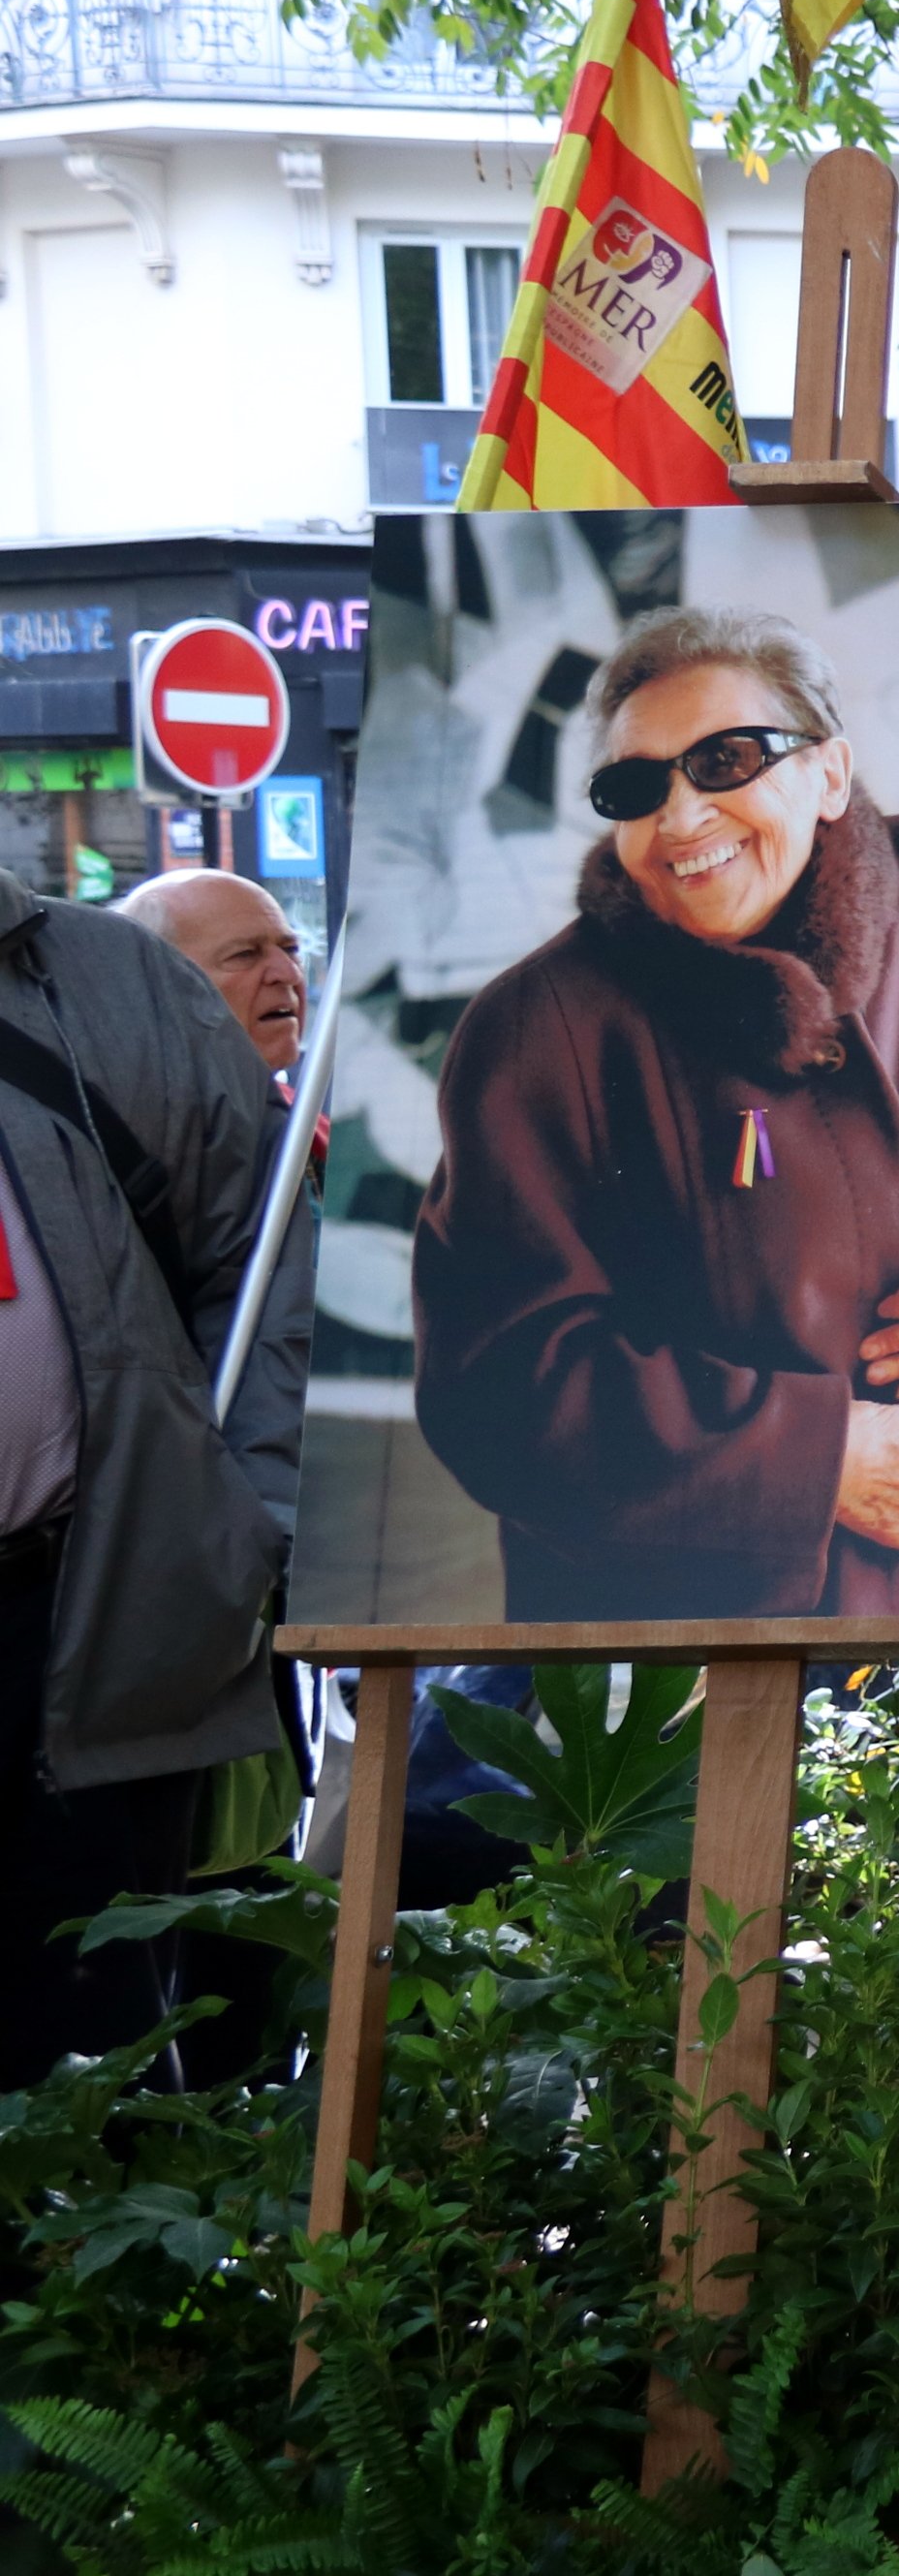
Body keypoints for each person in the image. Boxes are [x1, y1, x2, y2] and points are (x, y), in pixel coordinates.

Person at [412, 605, 899, 1623]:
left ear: (830, 772)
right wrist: (817, 1461)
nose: (682, 818)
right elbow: (499, 1383)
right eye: (636, 787)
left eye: (727, 759)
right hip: (683, 1662)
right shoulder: (539, 1028)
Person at [0, 856, 308, 2090]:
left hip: (81, 1612)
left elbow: (269, 1261)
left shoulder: (108, 983)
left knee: (86, 2054)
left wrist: (246, 1522)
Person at [114, 869, 305, 1078]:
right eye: (245, 954)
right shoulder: (120, 1109)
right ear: (155, 989)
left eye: (290, 950)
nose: (290, 973)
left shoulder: (296, 1107)